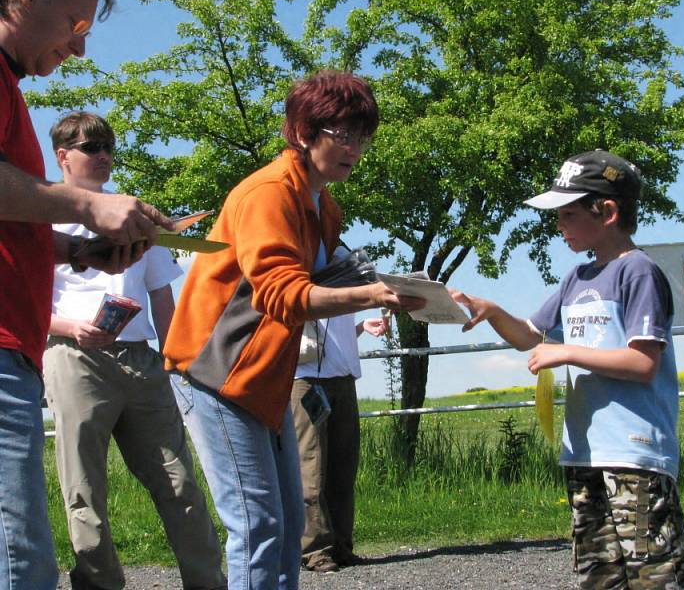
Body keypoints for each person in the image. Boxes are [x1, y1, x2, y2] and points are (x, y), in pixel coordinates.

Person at [162, 70, 424, 589]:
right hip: (215, 372)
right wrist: (373, 293)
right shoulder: (269, 193)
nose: (355, 148)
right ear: (304, 132)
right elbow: (281, 295)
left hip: (264, 375)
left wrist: (400, 287)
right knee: (258, 525)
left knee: (286, 527)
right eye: (343, 135)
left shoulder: (322, 204)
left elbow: (317, 284)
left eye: (363, 136)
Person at [453, 150, 684, 589]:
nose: (558, 224)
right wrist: (491, 310)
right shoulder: (576, 278)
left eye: (567, 213)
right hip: (586, 450)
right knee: (598, 574)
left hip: (634, 453)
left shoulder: (637, 272)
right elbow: (530, 334)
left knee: (653, 572)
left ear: (607, 211)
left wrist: (565, 352)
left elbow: (642, 362)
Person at [0, 0, 174, 587]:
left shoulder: (9, 89)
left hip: (19, 352)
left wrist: (79, 250)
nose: (80, 45)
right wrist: (84, 206)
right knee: (21, 559)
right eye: (76, 24)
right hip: (12, 352)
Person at [42, 111, 226, 590]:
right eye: (91, 147)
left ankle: (208, 584)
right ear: (63, 156)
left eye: (108, 147)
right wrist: (71, 327)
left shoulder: (137, 216)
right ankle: (100, 584)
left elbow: (162, 296)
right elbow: (23, 302)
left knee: (180, 483)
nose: (103, 155)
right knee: (84, 490)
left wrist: (182, 362)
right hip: (72, 357)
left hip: (141, 360)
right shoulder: (41, 217)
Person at [291, 249, 391, 572]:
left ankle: (341, 546)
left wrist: (360, 327)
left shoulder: (345, 254)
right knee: (312, 465)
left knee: (343, 465)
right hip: (305, 376)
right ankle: (315, 550)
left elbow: (336, 323)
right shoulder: (296, 249)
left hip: (343, 374)